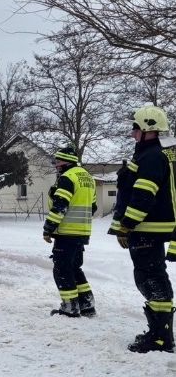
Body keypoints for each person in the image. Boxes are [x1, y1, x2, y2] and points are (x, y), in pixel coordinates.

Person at [109, 105, 175, 353]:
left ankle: (160, 339)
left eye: (135, 128)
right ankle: (161, 334)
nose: (132, 133)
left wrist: (126, 226)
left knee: (150, 279)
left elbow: (143, 196)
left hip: (146, 229)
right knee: (152, 277)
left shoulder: (151, 157)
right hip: (147, 229)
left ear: (148, 129)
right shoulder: (150, 156)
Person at [43, 146, 97, 317]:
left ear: (66, 162)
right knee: (74, 267)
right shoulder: (88, 178)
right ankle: (87, 304)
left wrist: (48, 228)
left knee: (62, 269)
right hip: (82, 232)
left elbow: (60, 206)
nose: (56, 166)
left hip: (67, 232)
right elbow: (93, 207)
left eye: (58, 162)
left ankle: (70, 307)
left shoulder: (67, 178)